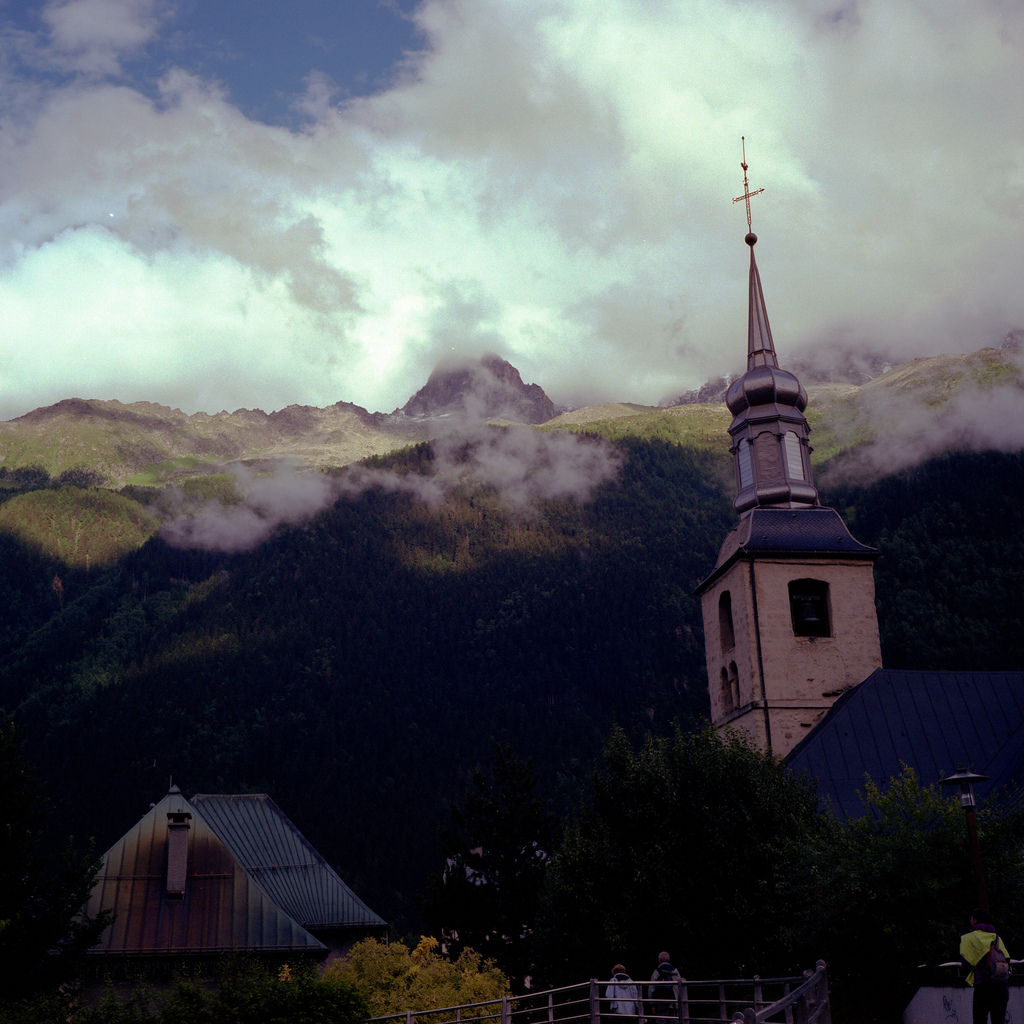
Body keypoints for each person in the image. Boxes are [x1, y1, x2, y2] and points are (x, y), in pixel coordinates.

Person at [960, 907, 1010, 1024]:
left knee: (979, 1020)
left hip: (983, 987)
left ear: (975, 921)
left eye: (971, 919)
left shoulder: (968, 938)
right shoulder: (996, 937)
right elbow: (1007, 958)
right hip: (1001, 987)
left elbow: (966, 964)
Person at [648, 952, 682, 1020]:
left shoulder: (657, 972)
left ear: (659, 960)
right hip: (675, 1004)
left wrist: (653, 1004)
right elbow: (680, 987)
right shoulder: (675, 972)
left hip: (661, 1004)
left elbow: (651, 989)